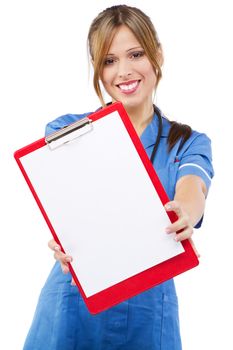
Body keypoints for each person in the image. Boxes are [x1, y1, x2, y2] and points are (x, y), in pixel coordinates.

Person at [23, 5, 214, 350]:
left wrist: (185, 212)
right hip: (72, 303)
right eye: (109, 61)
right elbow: (65, 208)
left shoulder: (187, 142)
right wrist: (60, 237)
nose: (123, 72)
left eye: (136, 54)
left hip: (149, 309)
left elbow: (193, 187)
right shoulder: (63, 132)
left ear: (157, 54)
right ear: (97, 69)